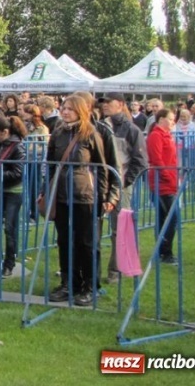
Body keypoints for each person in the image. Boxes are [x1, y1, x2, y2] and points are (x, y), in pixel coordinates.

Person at [46, 95, 115, 306]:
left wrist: (103, 197)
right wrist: (46, 191)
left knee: (87, 243)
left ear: (81, 111)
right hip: (61, 195)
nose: (65, 112)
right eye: (64, 108)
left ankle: (90, 286)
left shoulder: (91, 133)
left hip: (85, 195)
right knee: (64, 241)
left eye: (70, 109)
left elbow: (102, 168)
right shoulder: (57, 133)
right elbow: (50, 165)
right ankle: (69, 283)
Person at [98, 92, 147, 284]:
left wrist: (123, 183)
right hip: (99, 183)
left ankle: (115, 270)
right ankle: (92, 270)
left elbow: (140, 161)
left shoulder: (131, 129)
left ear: (120, 104)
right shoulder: (99, 126)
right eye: (103, 102)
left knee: (119, 228)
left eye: (108, 102)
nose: (104, 105)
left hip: (120, 184)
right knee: (94, 227)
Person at [0, 116, 27, 278]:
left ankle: (9, 263)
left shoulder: (18, 147)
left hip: (13, 191)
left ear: (6, 132)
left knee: (9, 228)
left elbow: (18, 172)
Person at [146, 108, 179, 265]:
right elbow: (157, 159)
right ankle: (165, 252)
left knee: (164, 217)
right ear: (161, 119)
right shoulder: (156, 135)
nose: (173, 122)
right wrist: (168, 176)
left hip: (168, 180)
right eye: (170, 119)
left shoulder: (167, 135)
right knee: (171, 217)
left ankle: (162, 251)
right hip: (162, 183)